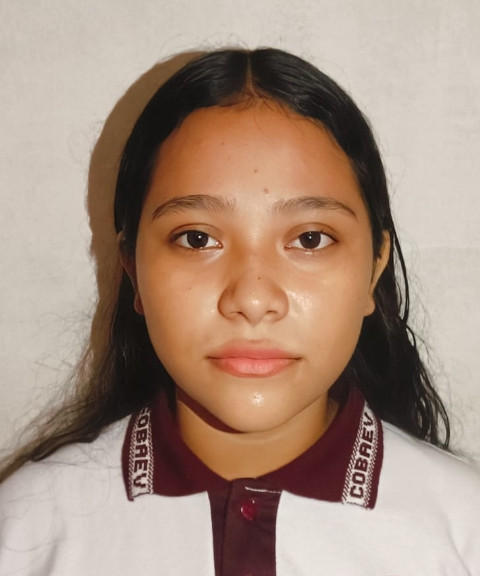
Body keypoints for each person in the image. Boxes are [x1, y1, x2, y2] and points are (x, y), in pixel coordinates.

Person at [0, 47, 479, 575]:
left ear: (373, 269)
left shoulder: (464, 532)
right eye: (197, 238)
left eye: (310, 239)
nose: (251, 299)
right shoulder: (27, 533)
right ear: (133, 268)